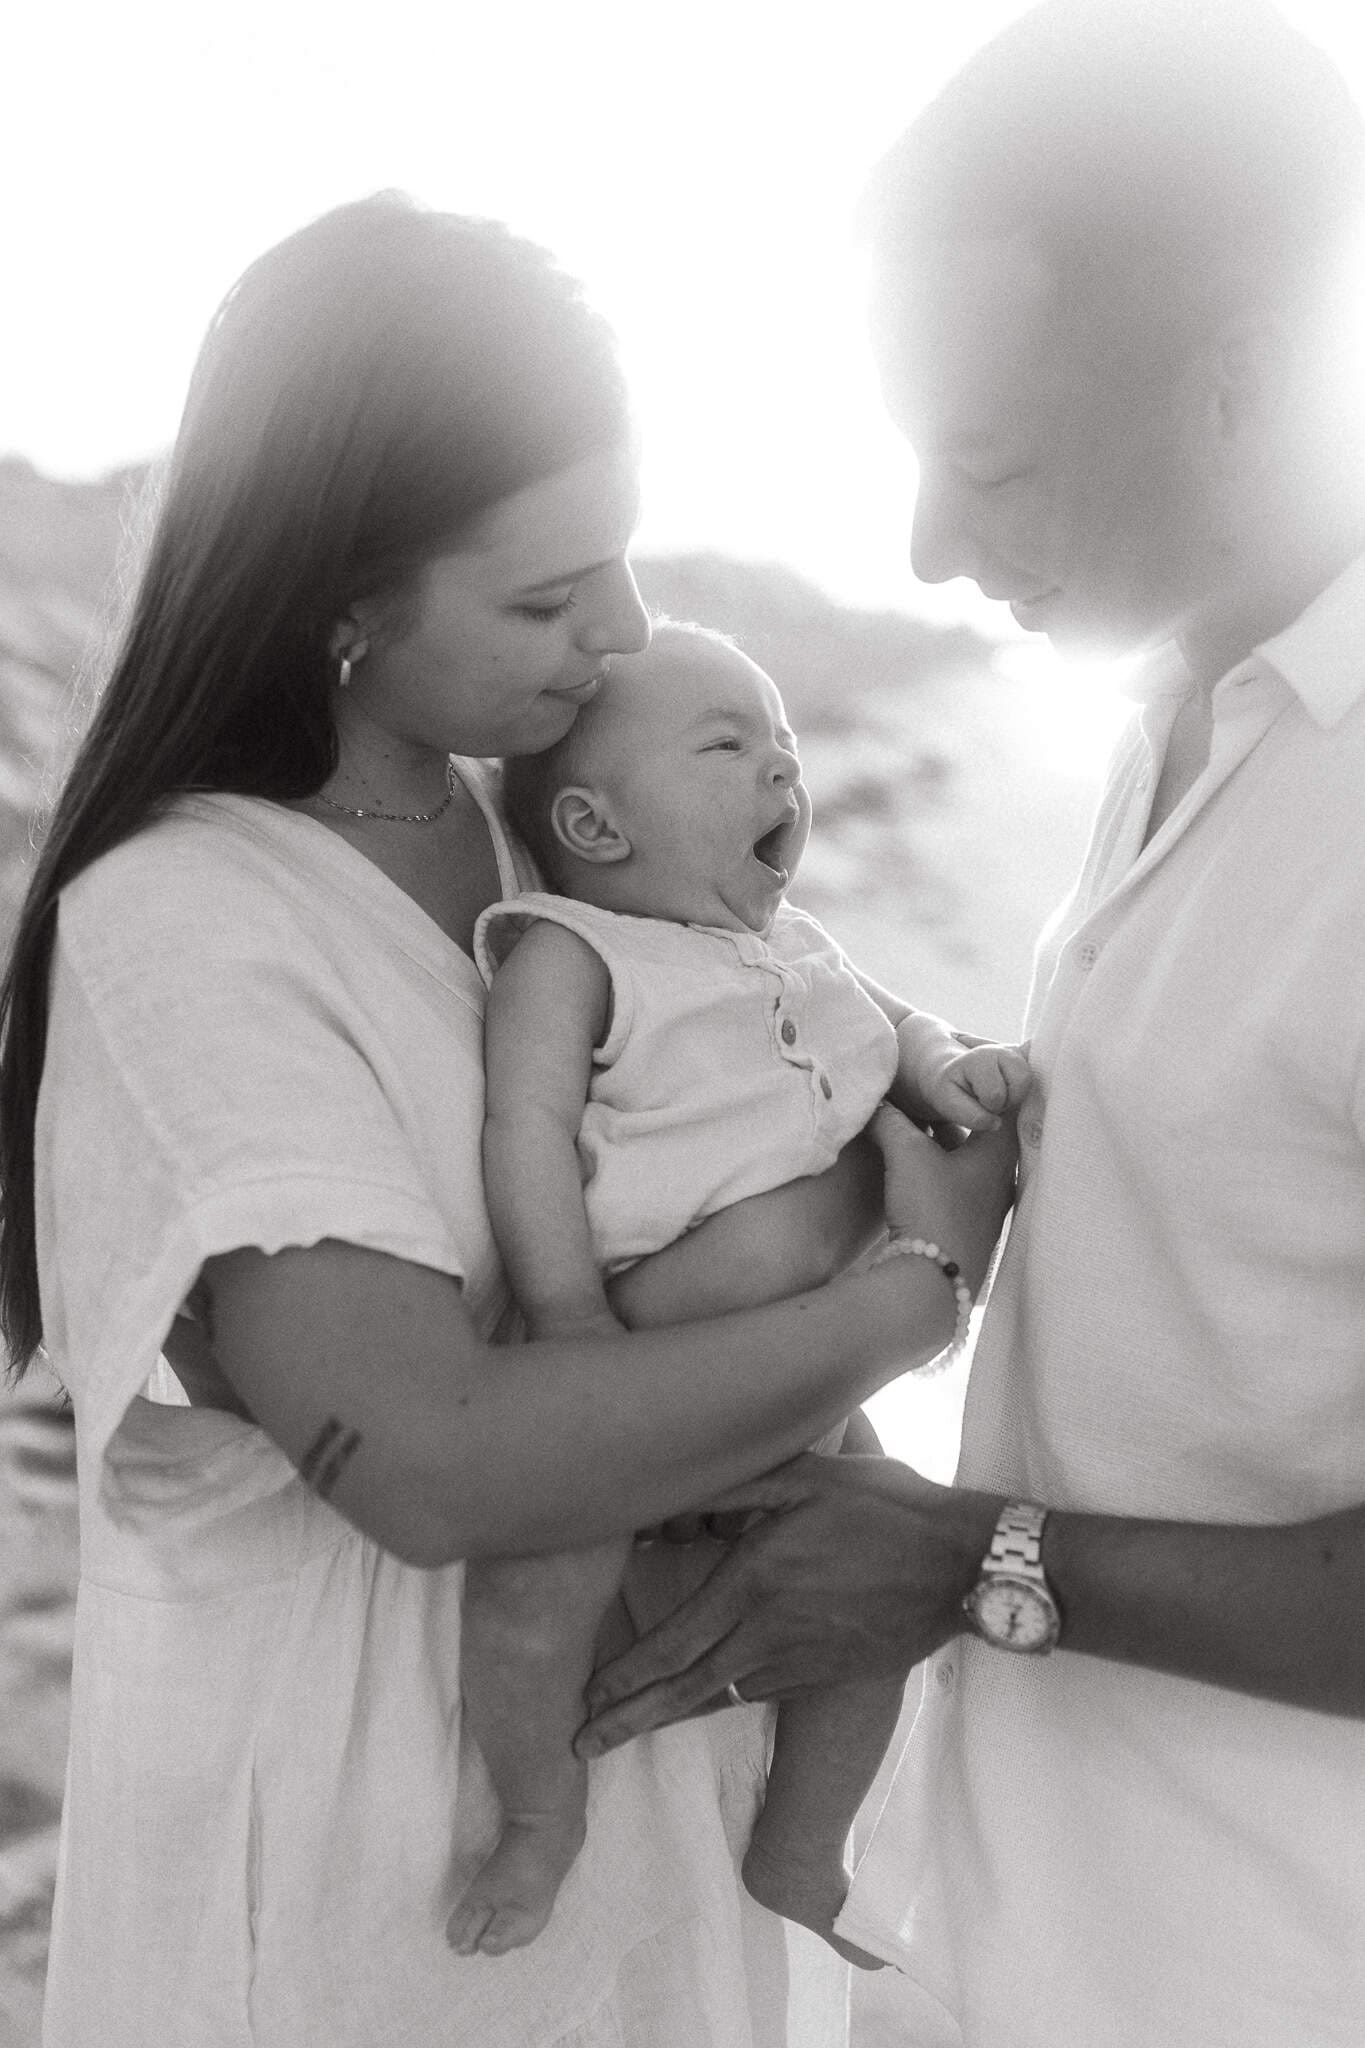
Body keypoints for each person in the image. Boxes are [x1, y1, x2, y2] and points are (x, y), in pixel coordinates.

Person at [0, 193, 1016, 2048]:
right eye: (546, 598)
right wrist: (914, 1288)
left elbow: (777, 1042)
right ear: (337, 608)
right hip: (365, 1905)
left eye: (616, 566)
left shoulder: (548, 840)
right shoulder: (185, 923)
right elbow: (435, 1463)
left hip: (651, 1869)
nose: (619, 633)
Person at [577, 5, 1365, 2044]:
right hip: (1018, 1947)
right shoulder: (1183, 721)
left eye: (988, 460)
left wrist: (958, 1556)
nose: (926, 541)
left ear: (1248, 382)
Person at [448, 618, 1029, 1965]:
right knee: (533, 1597)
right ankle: (541, 1816)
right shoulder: (571, 951)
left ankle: (800, 1844)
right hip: (649, 1347)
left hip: (805, 1378)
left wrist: (950, 1078)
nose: (781, 770)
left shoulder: (801, 945)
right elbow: (521, 1130)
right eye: (728, 745)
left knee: (889, 1579)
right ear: (593, 824)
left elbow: (901, 1034)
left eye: (782, 743)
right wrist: (568, 1314)